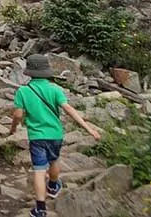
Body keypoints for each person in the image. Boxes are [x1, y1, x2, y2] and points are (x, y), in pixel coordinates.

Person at [9, 54, 101, 217]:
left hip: (37, 136)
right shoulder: (55, 89)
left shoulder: (23, 91)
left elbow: (17, 115)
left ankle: (40, 208)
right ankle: (52, 186)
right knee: (55, 160)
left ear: (29, 71)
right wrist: (89, 129)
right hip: (55, 134)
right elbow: (69, 110)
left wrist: (13, 128)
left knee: (38, 170)